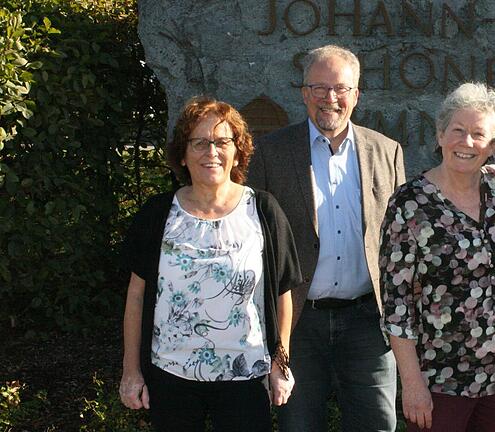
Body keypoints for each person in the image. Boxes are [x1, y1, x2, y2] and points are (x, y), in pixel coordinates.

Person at [119, 97, 301, 432]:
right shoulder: (158, 214)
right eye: (199, 143)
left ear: (237, 152)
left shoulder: (263, 211)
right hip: (170, 373)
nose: (211, 152)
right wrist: (132, 371)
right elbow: (136, 296)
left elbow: (282, 293)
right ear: (183, 155)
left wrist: (280, 363)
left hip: (245, 374)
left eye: (221, 142)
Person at [248, 45, 405, 432]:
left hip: (369, 321)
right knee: (298, 425)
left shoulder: (387, 152)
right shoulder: (269, 153)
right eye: (318, 88)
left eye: (340, 88)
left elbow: (401, 240)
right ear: (303, 93)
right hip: (299, 322)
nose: (329, 98)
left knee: (378, 425)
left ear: (356, 95)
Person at [379, 83, 495, 432]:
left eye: (479, 134)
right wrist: (412, 385)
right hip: (440, 379)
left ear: (492, 147)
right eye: (458, 130)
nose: (467, 142)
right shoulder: (410, 204)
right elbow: (397, 303)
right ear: (440, 135)